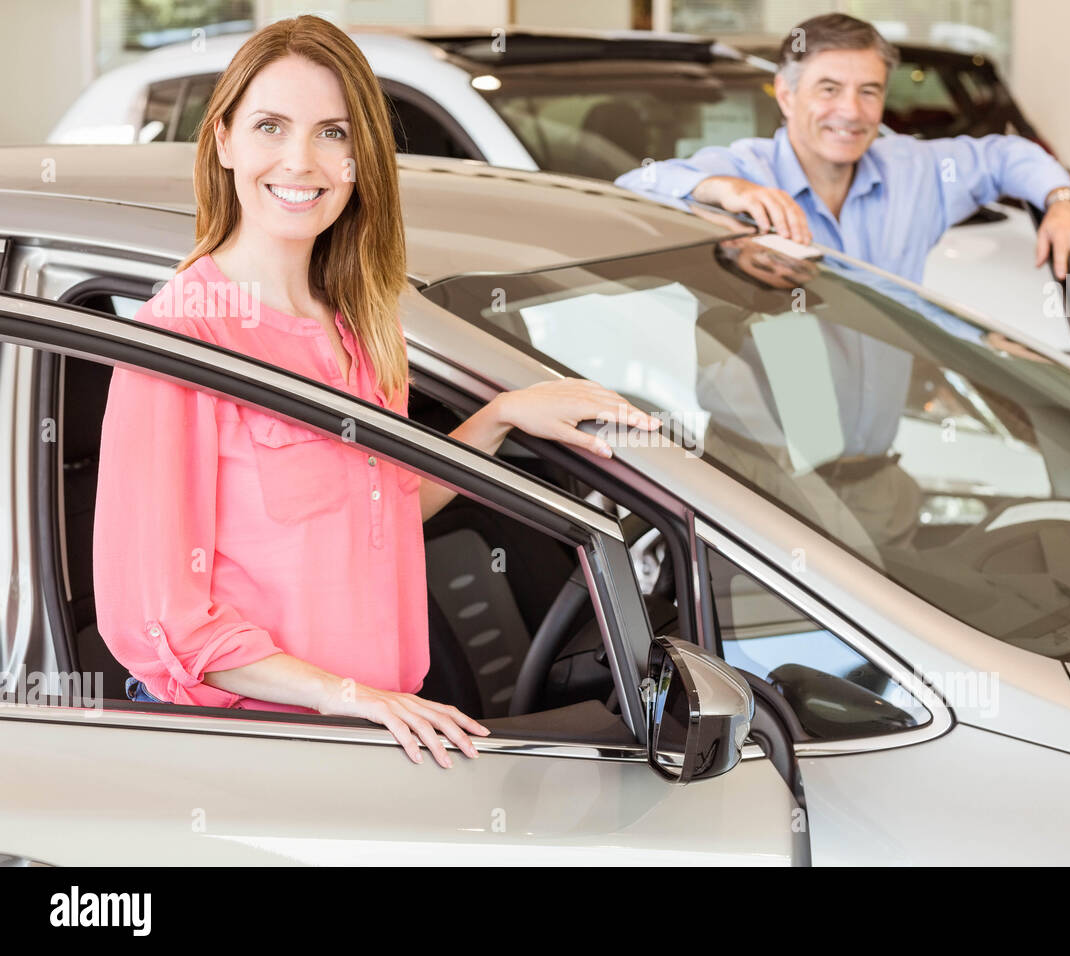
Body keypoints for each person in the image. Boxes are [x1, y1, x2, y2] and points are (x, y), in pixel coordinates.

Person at [92, 15, 659, 768]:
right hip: (270, 750)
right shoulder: (181, 340)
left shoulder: (355, 323)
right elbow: (165, 622)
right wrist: (347, 697)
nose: (302, 161)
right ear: (223, 140)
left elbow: (376, 513)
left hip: (385, 735)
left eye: (333, 132)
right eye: (270, 126)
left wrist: (490, 425)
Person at [615, 12, 1070, 288]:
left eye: (868, 91)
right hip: (749, 457)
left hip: (877, 456)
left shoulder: (914, 170)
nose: (851, 111)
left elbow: (1005, 155)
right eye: (828, 89)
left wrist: (1063, 201)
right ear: (786, 94)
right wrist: (720, 192)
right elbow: (629, 194)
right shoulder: (743, 171)